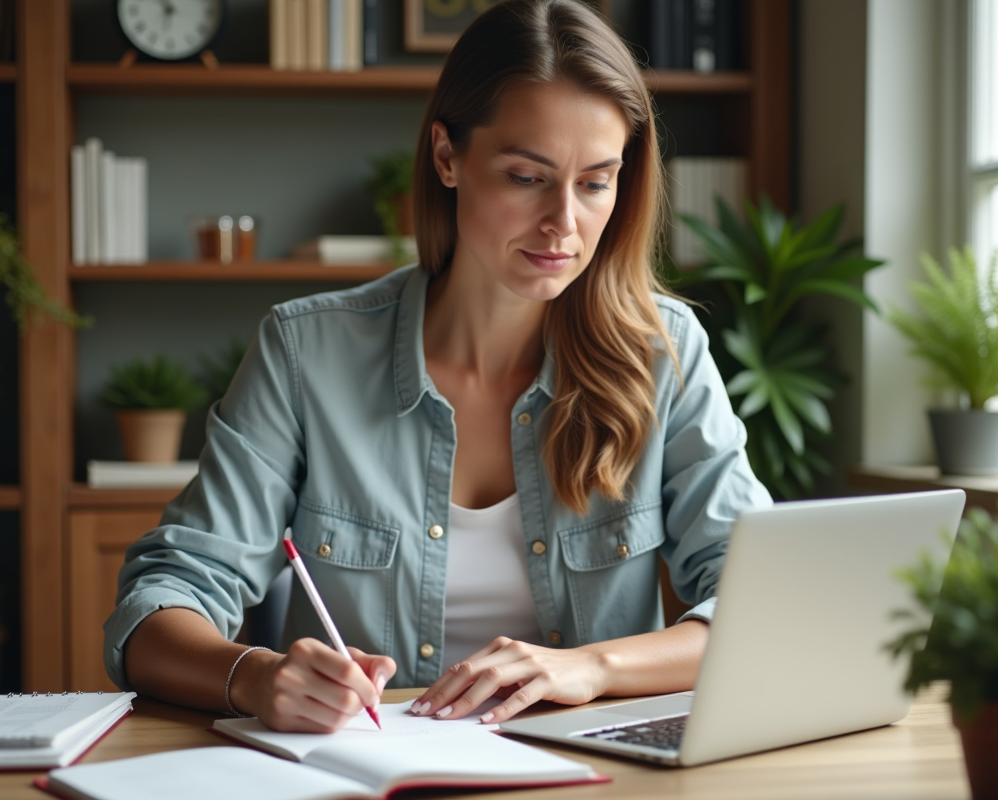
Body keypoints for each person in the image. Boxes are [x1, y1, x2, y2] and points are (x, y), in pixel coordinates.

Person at [104, 0, 771, 734]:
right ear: (448, 156)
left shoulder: (662, 353)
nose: (564, 223)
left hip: (593, 773)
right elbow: (156, 606)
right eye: (527, 177)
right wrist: (256, 676)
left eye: (595, 182)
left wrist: (591, 666)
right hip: (363, 771)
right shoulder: (307, 354)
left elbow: (768, 603)